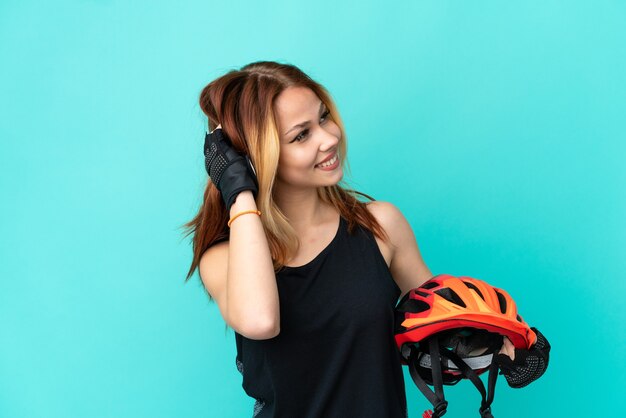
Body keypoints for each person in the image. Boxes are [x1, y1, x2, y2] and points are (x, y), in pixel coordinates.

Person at [182, 61, 547, 418]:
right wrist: (238, 189)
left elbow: (439, 322)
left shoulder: (380, 226)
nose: (330, 137)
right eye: (301, 135)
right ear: (258, 157)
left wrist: (507, 339)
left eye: (323, 117)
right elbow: (261, 321)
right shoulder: (225, 256)